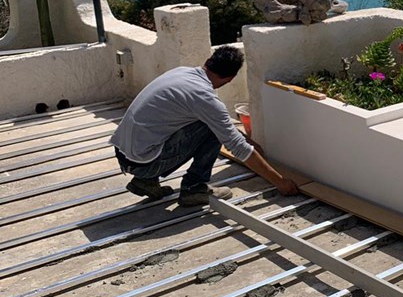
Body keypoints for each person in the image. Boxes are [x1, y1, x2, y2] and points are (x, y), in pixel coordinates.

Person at [110, 45, 300, 206]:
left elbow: (225, 128)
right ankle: (194, 188)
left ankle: (145, 182)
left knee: (208, 123)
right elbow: (236, 146)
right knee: (211, 129)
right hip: (143, 162)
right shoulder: (204, 97)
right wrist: (280, 182)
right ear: (230, 78)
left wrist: (249, 142)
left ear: (209, 61)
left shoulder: (182, 72)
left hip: (125, 154)